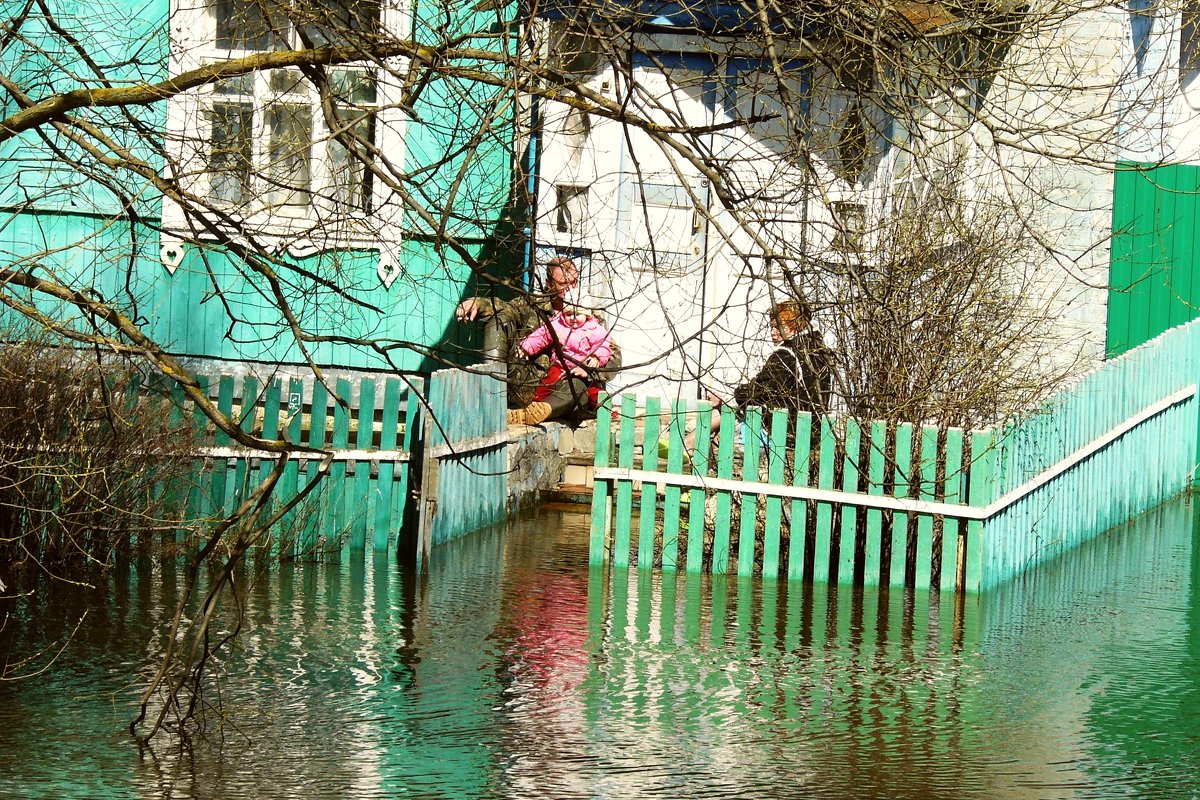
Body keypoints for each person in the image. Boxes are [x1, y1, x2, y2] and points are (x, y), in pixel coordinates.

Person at [687, 299, 835, 455]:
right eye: (772, 326)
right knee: (728, 418)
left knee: (728, 415)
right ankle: (692, 445)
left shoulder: (786, 354)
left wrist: (728, 397)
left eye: (779, 327)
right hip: (811, 431)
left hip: (783, 432)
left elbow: (757, 391)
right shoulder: (819, 352)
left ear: (795, 326)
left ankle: (689, 446)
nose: (773, 332)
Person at [508, 305, 615, 425]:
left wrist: (596, 358)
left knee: (594, 391)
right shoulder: (558, 324)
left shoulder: (595, 329)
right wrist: (525, 347)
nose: (573, 318)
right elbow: (541, 336)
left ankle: (607, 409)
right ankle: (536, 406)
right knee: (547, 383)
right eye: (569, 314)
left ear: (587, 315)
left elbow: (604, 346)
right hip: (560, 365)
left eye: (577, 314)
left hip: (583, 367)